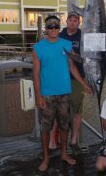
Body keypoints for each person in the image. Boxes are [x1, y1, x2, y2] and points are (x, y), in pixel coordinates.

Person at [33, 15, 92, 171]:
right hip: (46, 94)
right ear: (46, 29)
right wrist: (38, 96)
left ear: (60, 28)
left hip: (64, 93)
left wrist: (84, 84)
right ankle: (46, 158)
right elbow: (36, 74)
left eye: (56, 26)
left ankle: (64, 154)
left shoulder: (66, 44)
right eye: (50, 26)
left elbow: (72, 67)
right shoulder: (38, 47)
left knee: (65, 126)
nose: (53, 29)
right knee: (46, 128)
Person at [59, 11, 85, 153]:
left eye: (76, 20)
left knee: (77, 111)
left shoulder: (83, 36)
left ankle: (74, 141)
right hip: (60, 79)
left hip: (78, 78)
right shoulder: (59, 35)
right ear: (66, 21)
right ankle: (55, 142)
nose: (73, 22)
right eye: (70, 19)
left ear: (79, 23)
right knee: (60, 112)